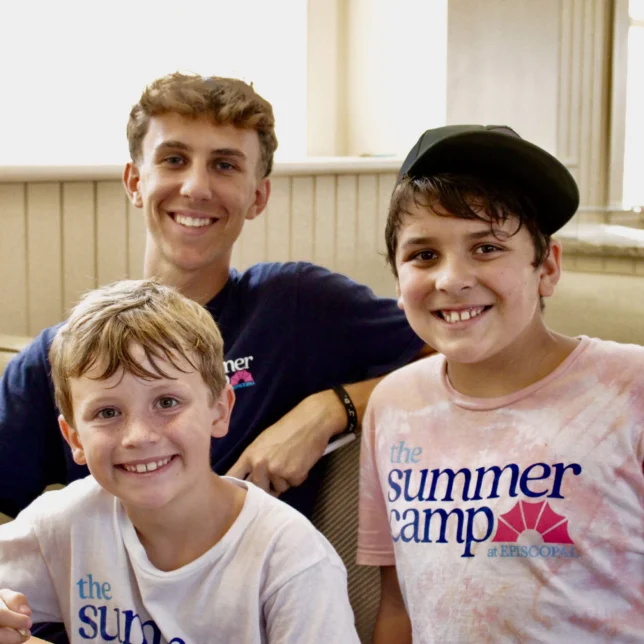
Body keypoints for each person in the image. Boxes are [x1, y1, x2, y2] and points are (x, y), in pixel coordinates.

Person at [0, 72, 425, 522]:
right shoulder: (59, 356)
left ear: (257, 196)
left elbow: (463, 361)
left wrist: (330, 409)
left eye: (224, 165)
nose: (196, 187)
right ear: (134, 182)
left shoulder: (295, 308)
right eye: (174, 159)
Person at [356, 125, 644, 642]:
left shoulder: (630, 388)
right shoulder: (394, 405)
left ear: (547, 268)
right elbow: (398, 605)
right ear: (397, 282)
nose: (451, 278)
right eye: (423, 255)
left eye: (486, 247)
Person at [0, 279, 360, 644]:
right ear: (75, 438)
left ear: (220, 410)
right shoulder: (65, 523)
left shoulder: (291, 560)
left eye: (167, 402)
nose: (139, 436)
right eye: (108, 412)